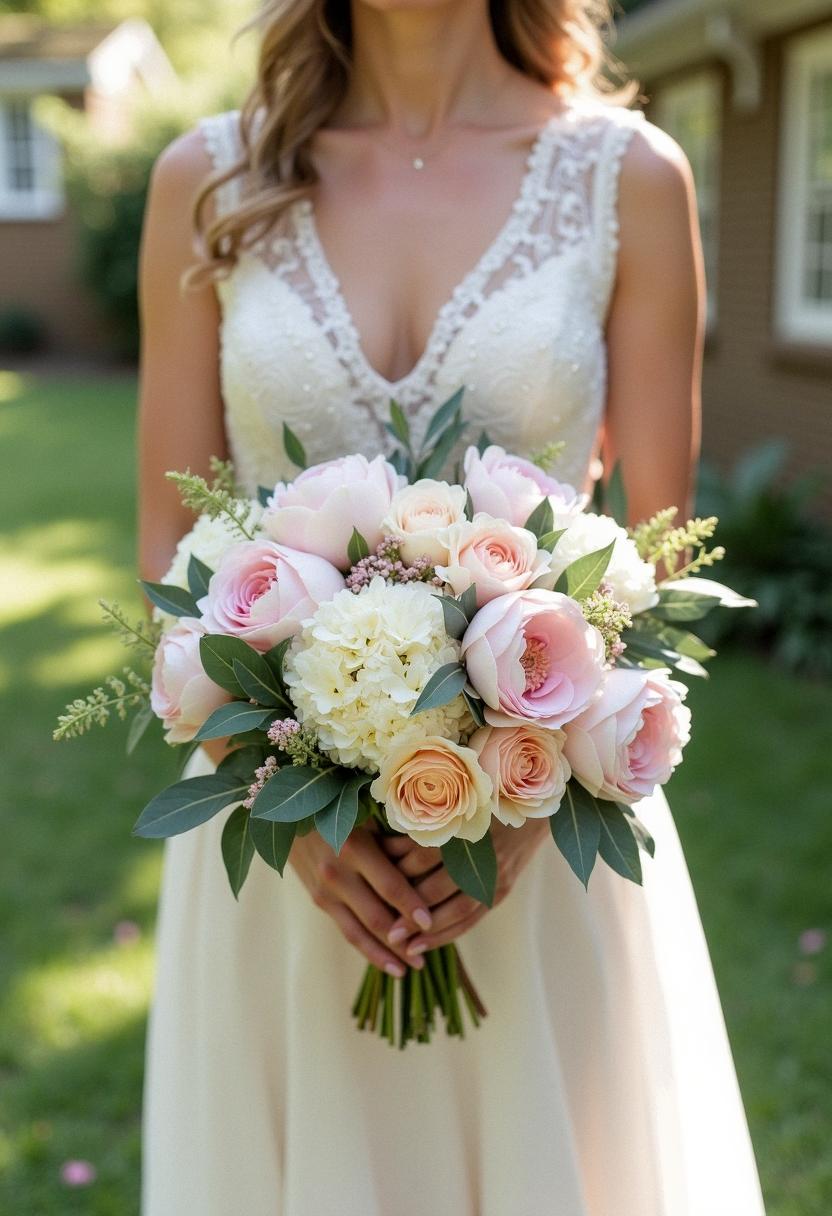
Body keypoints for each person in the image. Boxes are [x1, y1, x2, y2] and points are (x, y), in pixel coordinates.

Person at [137, 1, 766, 1212]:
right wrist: (283, 801)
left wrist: (533, 797)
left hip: (546, 837)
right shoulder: (207, 178)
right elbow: (169, 542)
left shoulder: (625, 177)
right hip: (287, 863)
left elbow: (656, 550)